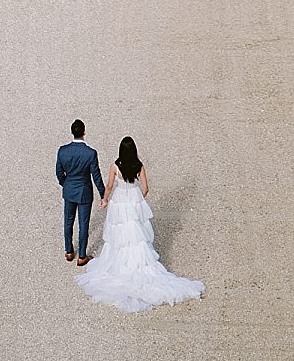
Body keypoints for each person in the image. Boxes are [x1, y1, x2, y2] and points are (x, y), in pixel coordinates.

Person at [76, 136, 203, 313]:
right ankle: (139, 264)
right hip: (133, 200)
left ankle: (121, 263)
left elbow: (110, 186)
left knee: (119, 234)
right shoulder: (139, 166)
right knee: (136, 234)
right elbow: (145, 188)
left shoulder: (115, 166)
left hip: (120, 202)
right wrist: (137, 198)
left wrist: (105, 200)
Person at [55, 119, 105, 266]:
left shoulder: (62, 150)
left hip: (69, 190)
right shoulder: (90, 153)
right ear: (84, 132)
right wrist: (103, 194)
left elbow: (59, 172)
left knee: (68, 221)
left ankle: (69, 251)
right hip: (84, 191)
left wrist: (65, 183)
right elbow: (96, 176)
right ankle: (82, 255)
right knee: (84, 224)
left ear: (72, 132)